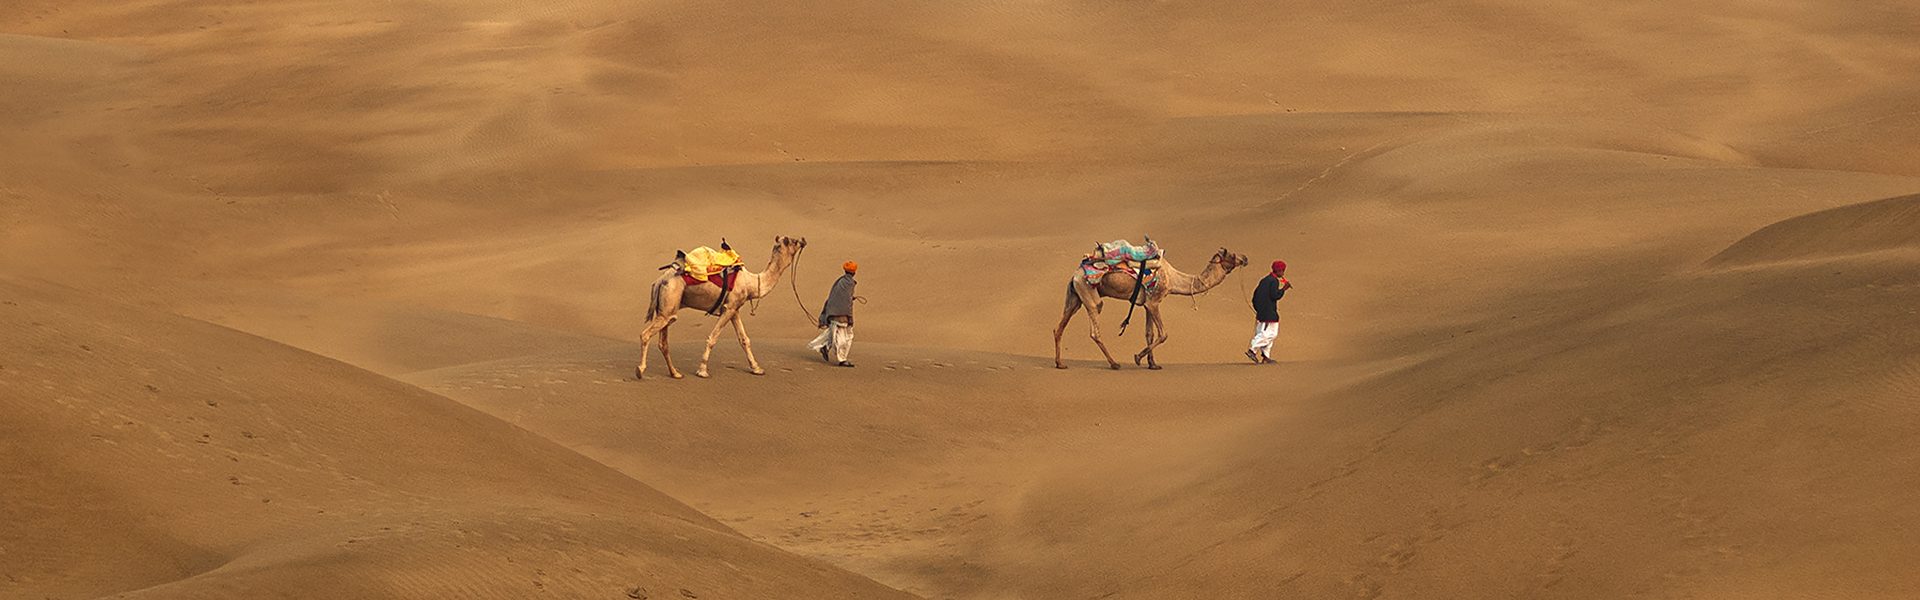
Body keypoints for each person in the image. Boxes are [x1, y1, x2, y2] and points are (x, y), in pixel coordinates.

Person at [809, 261, 860, 367]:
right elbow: (846, 302)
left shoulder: (840, 282)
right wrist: (850, 318)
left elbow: (837, 297)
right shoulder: (849, 283)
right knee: (843, 337)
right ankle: (842, 360)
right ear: (854, 272)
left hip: (833, 312)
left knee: (834, 333)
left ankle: (824, 346)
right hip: (841, 315)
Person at [1247, 260, 1291, 364]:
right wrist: (1284, 289)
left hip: (1262, 312)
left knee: (1264, 333)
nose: (1283, 273)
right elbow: (1275, 296)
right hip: (1269, 313)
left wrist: (1258, 308)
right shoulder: (1273, 281)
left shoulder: (1264, 280)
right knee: (1271, 334)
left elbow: (1255, 295)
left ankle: (1266, 356)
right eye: (1282, 271)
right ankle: (1252, 349)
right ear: (1279, 270)